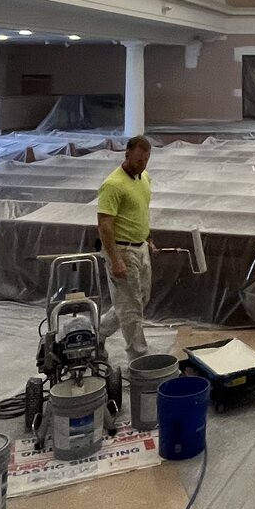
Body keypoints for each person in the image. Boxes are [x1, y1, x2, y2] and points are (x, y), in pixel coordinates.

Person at [95, 135, 153, 359]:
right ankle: (139, 359)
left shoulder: (144, 178)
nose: (143, 164)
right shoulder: (113, 185)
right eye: (139, 160)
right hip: (122, 250)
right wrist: (115, 259)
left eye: (146, 160)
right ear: (127, 154)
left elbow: (141, 211)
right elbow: (105, 224)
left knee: (140, 299)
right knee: (130, 309)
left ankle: (98, 333)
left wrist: (148, 238)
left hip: (141, 247)